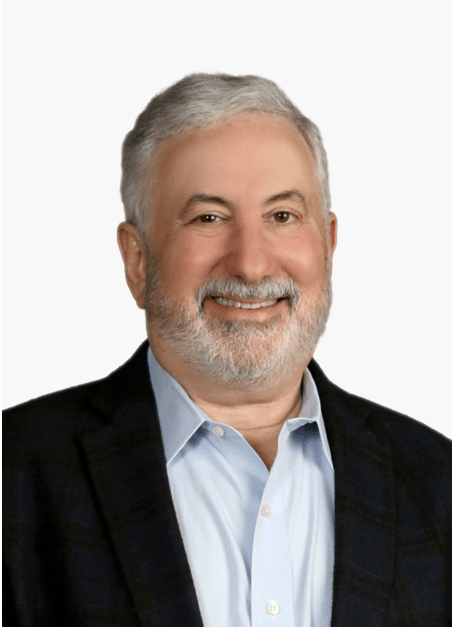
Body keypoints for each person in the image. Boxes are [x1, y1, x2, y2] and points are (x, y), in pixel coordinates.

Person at [3, 73, 451, 627]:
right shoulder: (13, 473)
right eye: (208, 218)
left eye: (282, 216)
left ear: (329, 245)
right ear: (138, 260)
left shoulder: (439, 480)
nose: (251, 265)